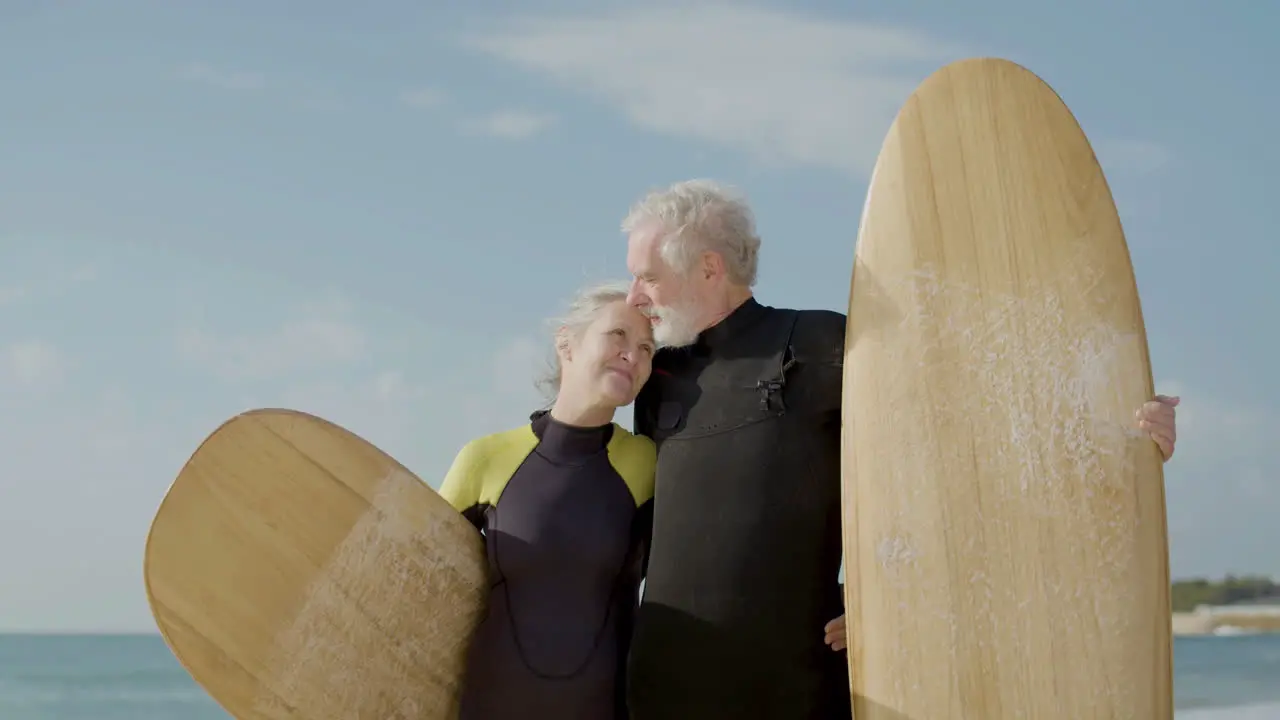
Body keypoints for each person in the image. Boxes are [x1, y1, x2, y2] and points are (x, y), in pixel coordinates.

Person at [617, 179, 1180, 719]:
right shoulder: (660, 372)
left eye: (647, 278)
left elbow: (977, 434)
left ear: (709, 267)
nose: (634, 297)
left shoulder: (822, 345)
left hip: (794, 689)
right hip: (663, 688)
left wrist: (1120, 426)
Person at [438, 282, 658, 720]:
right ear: (567, 344)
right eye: (618, 336)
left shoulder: (648, 464)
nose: (633, 355)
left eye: (648, 349)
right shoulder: (485, 458)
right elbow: (414, 582)